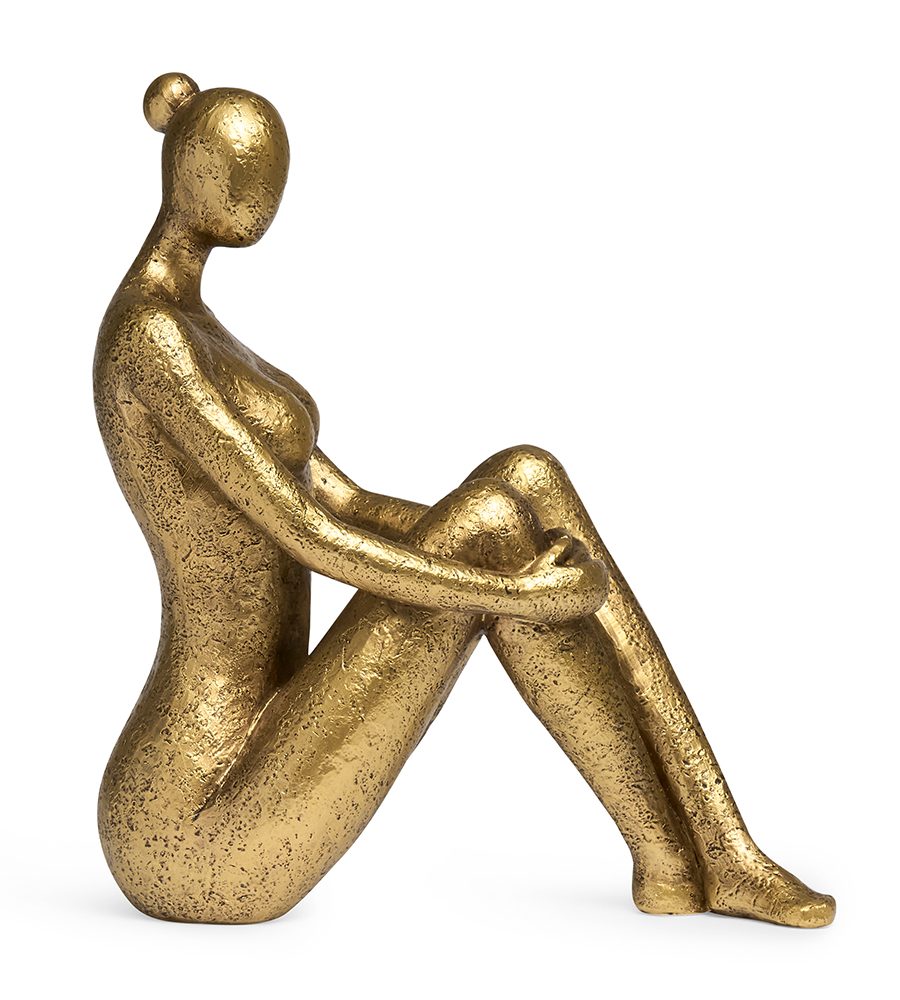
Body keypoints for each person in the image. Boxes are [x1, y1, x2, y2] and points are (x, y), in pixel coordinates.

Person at [94, 73, 834, 927]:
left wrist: (509, 545)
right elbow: (308, 535)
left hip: (270, 736)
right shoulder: (150, 337)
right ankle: (672, 855)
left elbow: (344, 499)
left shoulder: (205, 333)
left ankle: (718, 850)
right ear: (190, 169)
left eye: (274, 173)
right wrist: (514, 591)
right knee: (493, 524)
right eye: (245, 169)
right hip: (193, 814)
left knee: (527, 478)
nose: (265, 193)